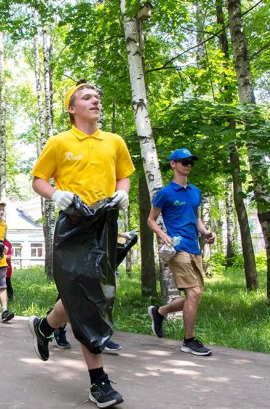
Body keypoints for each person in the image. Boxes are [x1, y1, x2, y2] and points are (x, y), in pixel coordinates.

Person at [28, 80, 135, 407]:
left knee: (85, 293)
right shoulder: (59, 143)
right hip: (73, 225)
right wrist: (55, 194)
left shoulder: (114, 141)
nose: (95, 100)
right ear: (72, 109)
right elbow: (38, 181)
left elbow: (123, 175)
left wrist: (124, 193)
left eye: (96, 97)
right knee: (88, 296)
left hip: (104, 223)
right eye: (87, 97)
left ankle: (45, 326)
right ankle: (98, 382)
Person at [147, 148, 215, 357]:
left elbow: (195, 217)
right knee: (193, 293)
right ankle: (189, 340)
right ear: (173, 164)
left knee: (196, 295)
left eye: (190, 162)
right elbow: (150, 220)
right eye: (184, 162)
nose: (188, 165)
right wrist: (162, 234)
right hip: (177, 248)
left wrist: (205, 232)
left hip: (195, 247)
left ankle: (160, 312)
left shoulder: (195, 191)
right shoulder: (165, 193)